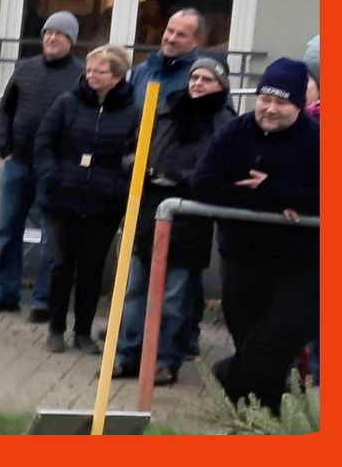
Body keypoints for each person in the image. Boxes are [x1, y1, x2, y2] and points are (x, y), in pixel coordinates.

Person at [193, 56, 319, 413]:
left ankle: (227, 376)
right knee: (249, 337)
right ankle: (264, 417)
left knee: (281, 336)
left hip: (300, 264)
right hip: (242, 256)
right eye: (265, 99)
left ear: (299, 105)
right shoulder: (234, 133)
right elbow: (204, 184)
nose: (270, 109)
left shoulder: (316, 140)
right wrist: (270, 202)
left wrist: (274, 189)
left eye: (281, 102)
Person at [112, 56, 231, 385]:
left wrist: (179, 177)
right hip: (148, 211)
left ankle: (165, 360)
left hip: (190, 218)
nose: (197, 84)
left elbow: (221, 172)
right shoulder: (163, 109)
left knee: (174, 297)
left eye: (206, 79)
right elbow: (132, 147)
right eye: (194, 78)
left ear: (221, 85)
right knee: (135, 289)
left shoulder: (224, 122)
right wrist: (137, 167)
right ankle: (127, 354)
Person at [34, 43, 142, 354]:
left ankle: (83, 331)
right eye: (89, 70)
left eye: (100, 71)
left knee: (92, 267)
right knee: (60, 263)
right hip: (63, 197)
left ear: (117, 77)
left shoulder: (132, 112)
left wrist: (118, 187)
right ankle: (56, 328)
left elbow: (134, 154)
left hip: (104, 203)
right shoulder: (67, 103)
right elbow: (45, 142)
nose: (92, 75)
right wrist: (51, 176)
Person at [0, 11, 78, 315]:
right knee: (7, 230)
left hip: (54, 169)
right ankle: (5, 294)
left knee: (52, 237)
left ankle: (44, 300)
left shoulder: (80, 75)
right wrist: (4, 147)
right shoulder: (25, 68)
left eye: (59, 34)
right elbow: (6, 108)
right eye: (48, 33)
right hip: (17, 162)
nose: (51, 38)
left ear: (71, 41)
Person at [130, 8, 206, 103]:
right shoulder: (140, 72)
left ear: (197, 41)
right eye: (170, 31)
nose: (171, 39)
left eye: (181, 35)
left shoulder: (202, 78)